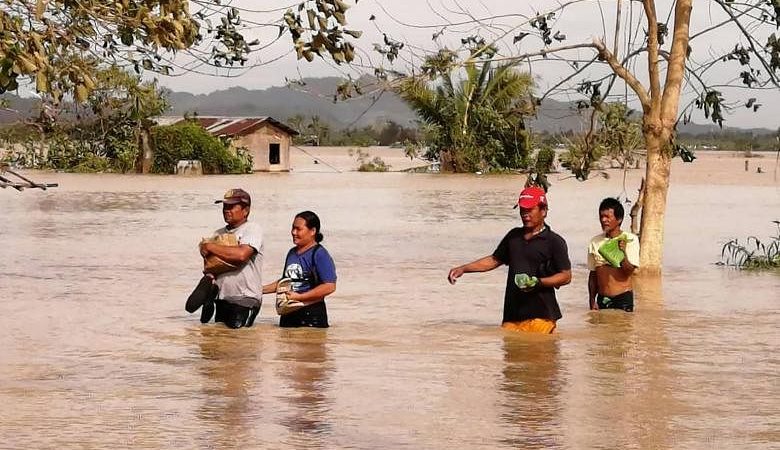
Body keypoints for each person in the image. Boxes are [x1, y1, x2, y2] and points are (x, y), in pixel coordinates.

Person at [447, 186, 572, 334]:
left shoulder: (554, 241)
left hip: (541, 315)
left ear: (543, 211)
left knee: (538, 354)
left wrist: (538, 282)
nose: (525, 214)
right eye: (522, 210)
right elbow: (494, 260)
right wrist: (463, 269)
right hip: (512, 315)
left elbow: (566, 276)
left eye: (529, 210)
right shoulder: (514, 237)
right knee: (511, 355)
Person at [185, 188, 264, 328]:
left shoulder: (252, 229)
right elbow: (211, 266)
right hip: (222, 299)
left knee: (240, 341)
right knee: (221, 343)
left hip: (245, 299)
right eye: (225, 206)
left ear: (245, 210)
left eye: (231, 206)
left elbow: (241, 255)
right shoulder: (218, 233)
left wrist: (209, 247)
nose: (226, 210)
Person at [263, 211, 337, 328]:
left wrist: (299, 297)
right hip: (288, 313)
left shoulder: (319, 254)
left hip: (311, 315)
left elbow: (329, 286)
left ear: (312, 231)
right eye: (292, 228)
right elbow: (286, 281)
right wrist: (259, 290)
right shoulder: (291, 253)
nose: (293, 232)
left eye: (298, 229)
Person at [587, 197, 640, 312]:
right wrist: (591, 299)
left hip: (623, 297)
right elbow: (593, 274)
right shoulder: (595, 242)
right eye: (601, 216)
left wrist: (622, 254)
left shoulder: (630, 240)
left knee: (622, 329)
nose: (604, 220)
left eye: (607, 217)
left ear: (619, 219)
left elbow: (629, 271)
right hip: (603, 298)